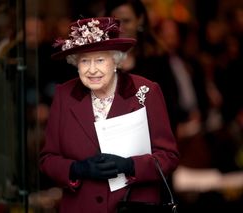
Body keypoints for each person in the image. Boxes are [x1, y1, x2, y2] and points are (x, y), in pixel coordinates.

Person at [39, 17, 179, 213]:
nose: (92, 69)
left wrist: (131, 165)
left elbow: (168, 157)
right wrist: (77, 169)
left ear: (115, 60)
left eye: (100, 60)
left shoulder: (146, 91)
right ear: (75, 64)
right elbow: (48, 159)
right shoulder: (64, 95)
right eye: (84, 61)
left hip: (133, 207)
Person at [104, 0, 180, 133]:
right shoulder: (99, 59)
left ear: (140, 20)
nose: (120, 28)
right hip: (108, 138)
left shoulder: (157, 58)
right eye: (115, 22)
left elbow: (170, 105)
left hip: (150, 138)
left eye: (126, 21)